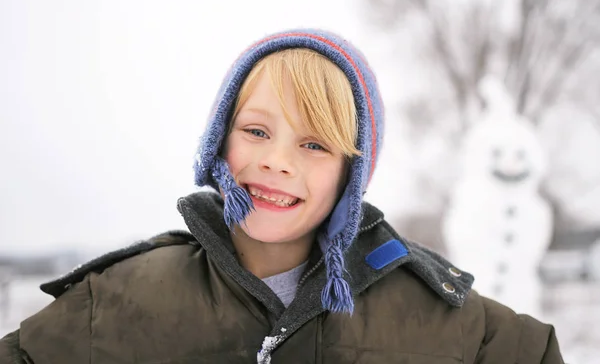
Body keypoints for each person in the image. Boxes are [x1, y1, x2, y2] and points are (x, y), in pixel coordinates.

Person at [0, 29, 564, 363]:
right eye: (257, 132)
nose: (277, 161)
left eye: (315, 144)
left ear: (352, 171)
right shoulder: (118, 299)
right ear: (220, 140)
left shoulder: (433, 312)